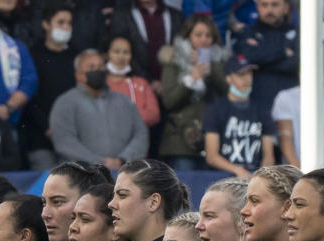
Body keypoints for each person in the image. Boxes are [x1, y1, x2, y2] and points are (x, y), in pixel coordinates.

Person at [49, 48, 148, 169]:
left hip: (123, 174)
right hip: (81, 176)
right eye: (91, 67)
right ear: (79, 75)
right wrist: (98, 163)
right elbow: (64, 142)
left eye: (101, 66)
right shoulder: (64, 102)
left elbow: (141, 134)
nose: (97, 70)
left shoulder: (124, 101)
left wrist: (122, 160)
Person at [157, 13, 226, 171]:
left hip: (213, 140)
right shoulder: (173, 59)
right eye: (198, 35)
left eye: (208, 35)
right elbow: (169, 101)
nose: (204, 39)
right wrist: (191, 80)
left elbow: (228, 94)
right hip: (180, 141)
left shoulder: (220, 61)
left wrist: (212, 68)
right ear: (187, 36)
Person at [20, 1, 75, 170]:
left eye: (69, 23)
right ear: (45, 24)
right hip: (40, 136)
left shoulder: (76, 56)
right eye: (60, 22)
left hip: (72, 136)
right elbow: (29, 96)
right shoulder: (32, 55)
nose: (66, 27)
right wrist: (47, 127)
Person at [202, 54, 275, 178]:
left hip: (254, 177)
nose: (247, 79)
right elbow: (211, 156)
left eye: (249, 74)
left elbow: (269, 155)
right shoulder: (215, 109)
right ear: (229, 78)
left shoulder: (262, 109)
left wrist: (261, 176)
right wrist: (238, 170)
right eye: (241, 74)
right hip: (222, 179)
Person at [231, 0, 297, 111]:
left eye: (275, 5)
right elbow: (245, 60)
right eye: (264, 5)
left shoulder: (301, 34)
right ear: (257, 7)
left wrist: (262, 61)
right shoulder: (246, 33)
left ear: (286, 8)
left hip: (292, 104)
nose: (269, 10)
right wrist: (283, 53)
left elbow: (297, 63)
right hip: (257, 105)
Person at [108, 0, 180, 86]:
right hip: (135, 84)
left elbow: (180, 51)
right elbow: (120, 51)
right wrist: (148, 81)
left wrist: (169, 83)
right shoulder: (122, 14)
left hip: (172, 86)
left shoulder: (176, 16)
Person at [105, 34, 159, 129]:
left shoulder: (141, 83)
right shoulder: (99, 85)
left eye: (126, 52)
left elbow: (154, 115)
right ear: (107, 54)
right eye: (116, 51)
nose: (121, 57)